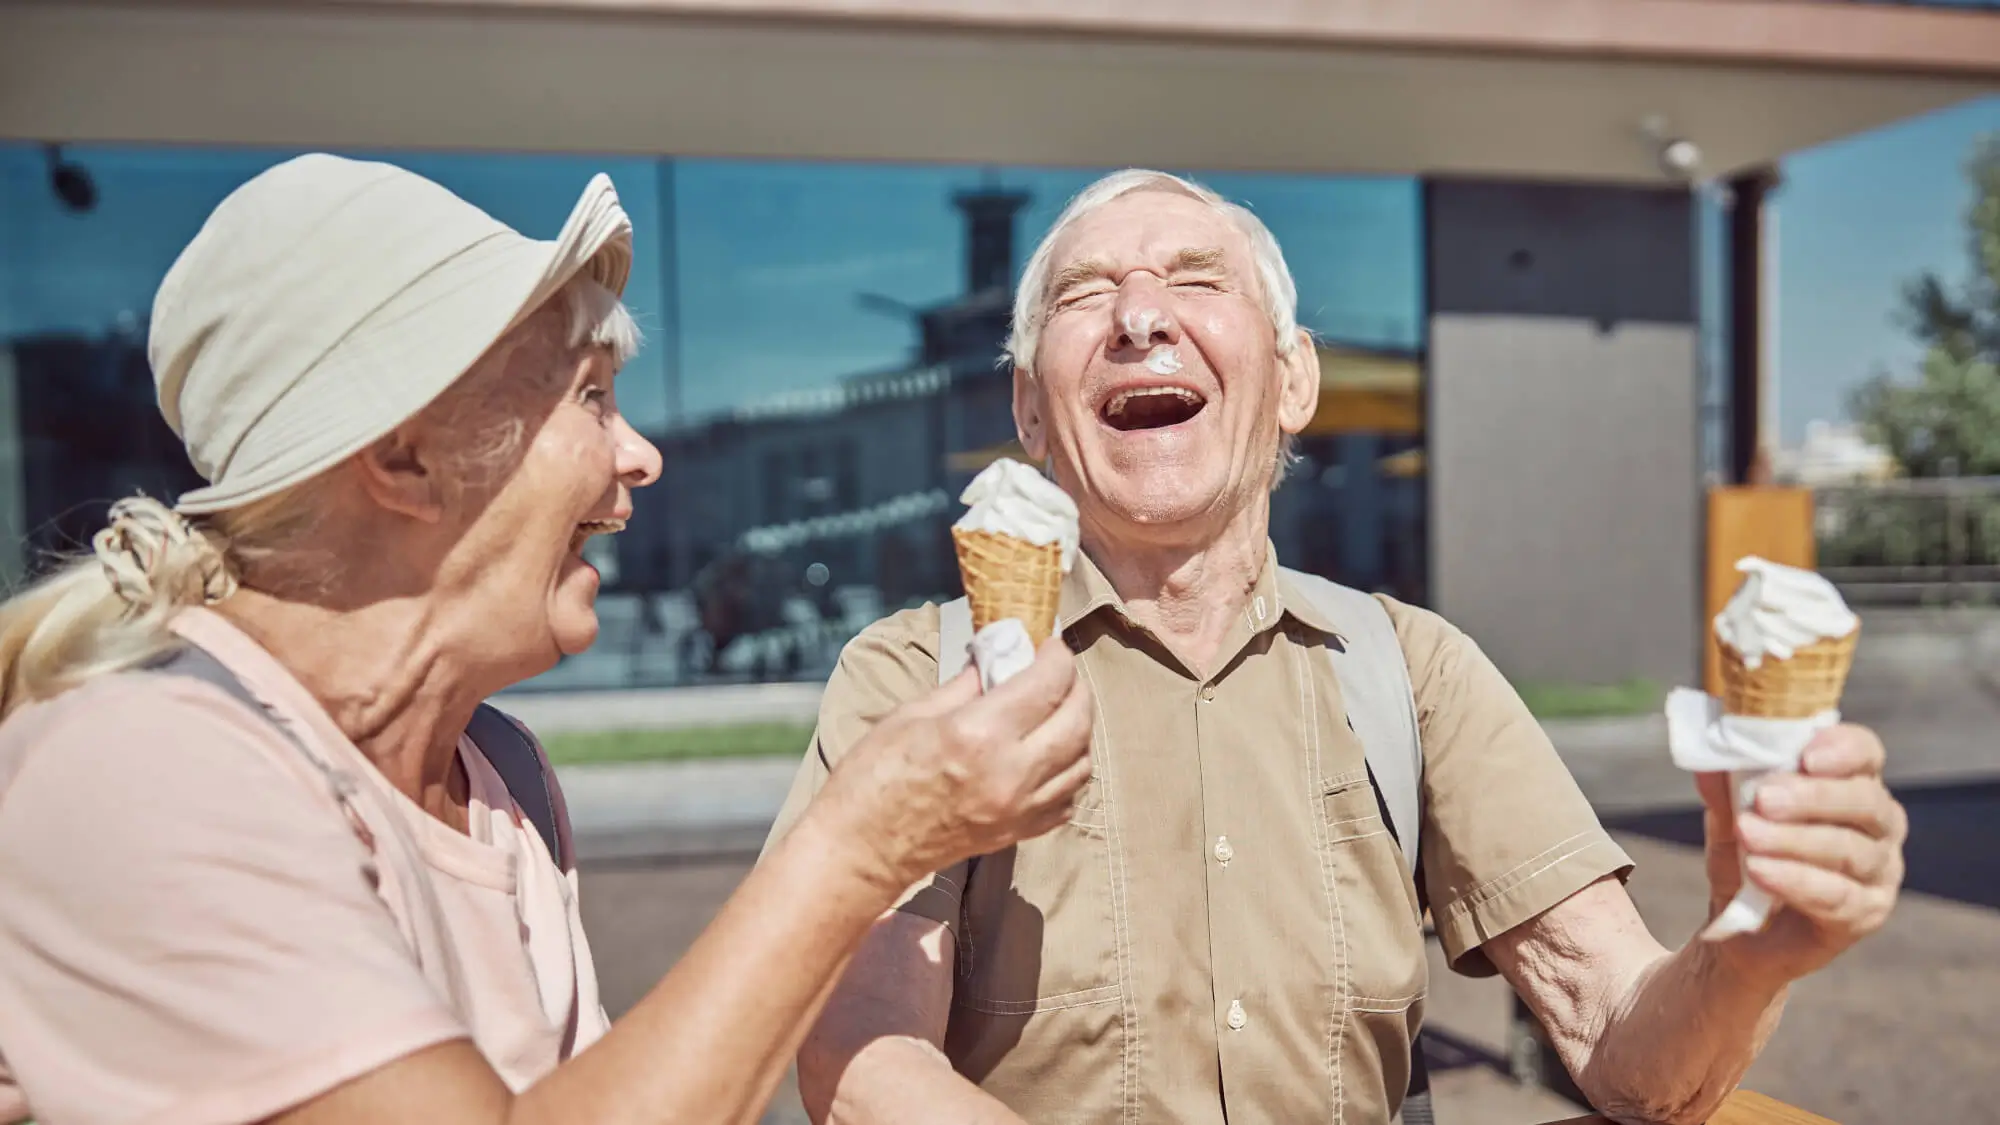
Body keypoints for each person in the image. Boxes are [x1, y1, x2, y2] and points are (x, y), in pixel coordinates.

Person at [766, 169, 1910, 1125]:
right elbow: (862, 1059)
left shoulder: (1408, 670)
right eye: (1085, 294)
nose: (1138, 317)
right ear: (1027, 409)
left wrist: (1747, 948)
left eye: (1195, 280)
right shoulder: (918, 678)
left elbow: (1622, 1046)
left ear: (1293, 378)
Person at [0, 154, 1093, 1125]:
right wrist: (860, 843)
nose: (643, 453)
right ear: (404, 459)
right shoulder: (142, 769)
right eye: (592, 396)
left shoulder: (498, 771)